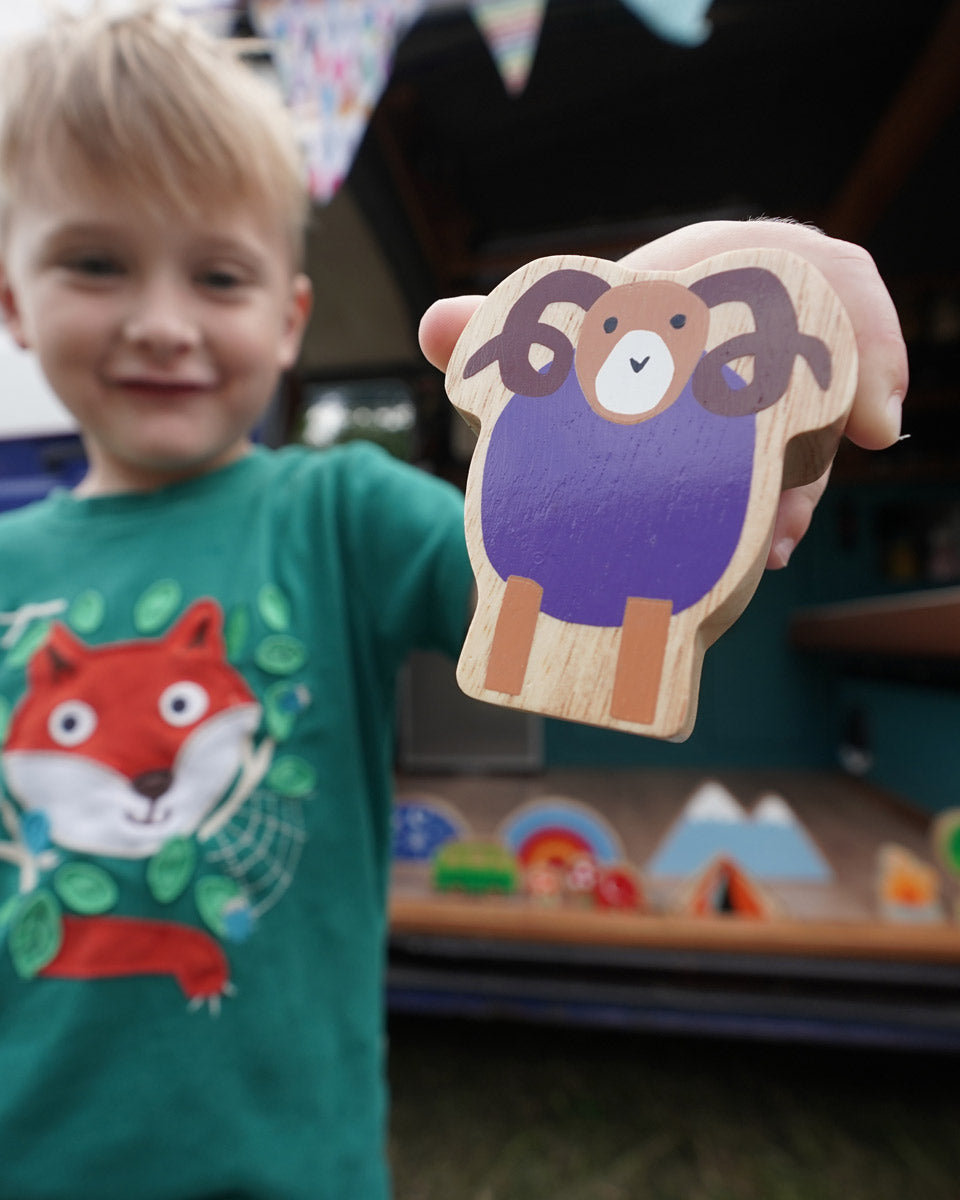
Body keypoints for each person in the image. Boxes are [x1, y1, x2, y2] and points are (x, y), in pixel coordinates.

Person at [0, 7, 906, 1200]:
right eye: (96, 263)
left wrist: (660, 389)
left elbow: (576, 592)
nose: (162, 320)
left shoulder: (340, 515)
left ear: (290, 320)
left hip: (292, 1171)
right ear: (14, 303)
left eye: (219, 274)